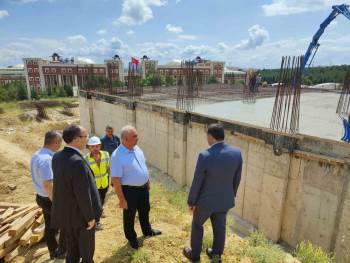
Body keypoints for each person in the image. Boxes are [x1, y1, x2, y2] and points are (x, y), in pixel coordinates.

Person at [183, 123, 243, 262]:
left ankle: (195, 255)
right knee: (220, 228)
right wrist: (231, 194)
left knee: (197, 225)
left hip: (205, 202)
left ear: (210, 137)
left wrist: (192, 201)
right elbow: (237, 178)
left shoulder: (205, 155)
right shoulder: (236, 153)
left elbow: (197, 181)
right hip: (224, 200)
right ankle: (216, 255)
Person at [51, 125, 102, 263]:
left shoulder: (57, 157)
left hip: (67, 215)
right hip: (81, 217)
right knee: (86, 253)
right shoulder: (77, 161)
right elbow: (82, 193)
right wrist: (90, 217)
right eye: (86, 137)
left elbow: (63, 187)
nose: (87, 140)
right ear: (76, 139)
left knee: (72, 251)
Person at [110, 125, 161, 249]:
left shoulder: (137, 148)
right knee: (130, 215)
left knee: (145, 210)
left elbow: (143, 165)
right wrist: (121, 199)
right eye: (134, 136)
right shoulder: (117, 156)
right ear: (125, 139)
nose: (137, 138)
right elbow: (115, 179)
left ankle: (147, 231)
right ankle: (131, 238)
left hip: (143, 188)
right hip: (129, 191)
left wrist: (147, 181)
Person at [30, 130, 66, 260]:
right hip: (50, 199)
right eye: (60, 143)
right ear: (56, 142)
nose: (60, 145)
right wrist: (57, 203)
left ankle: (54, 251)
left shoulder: (37, 154)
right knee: (64, 225)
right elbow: (48, 184)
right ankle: (61, 251)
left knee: (51, 225)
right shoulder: (47, 159)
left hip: (41, 197)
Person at [85, 136, 110, 230]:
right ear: (89, 147)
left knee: (102, 200)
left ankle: (100, 210)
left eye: (97, 146)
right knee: (95, 203)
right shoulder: (85, 159)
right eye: (92, 147)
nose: (95, 148)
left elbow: (108, 168)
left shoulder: (106, 154)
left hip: (104, 183)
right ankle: (97, 222)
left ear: (100, 146)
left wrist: (110, 180)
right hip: (93, 185)